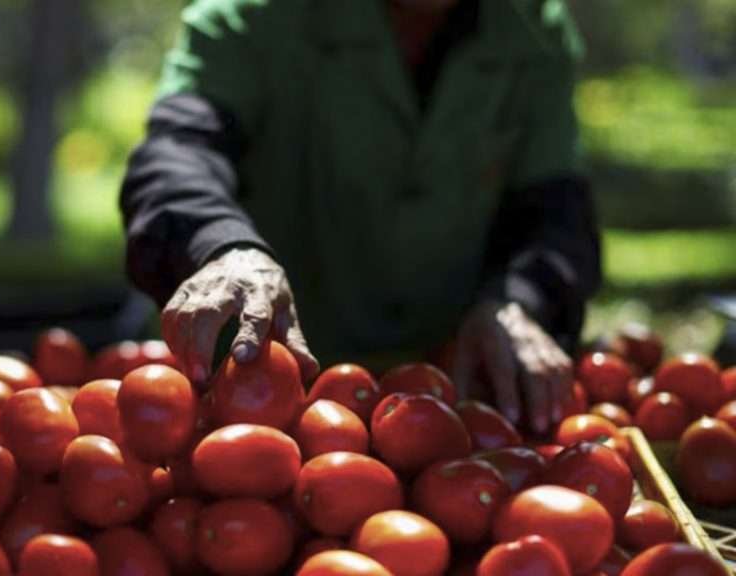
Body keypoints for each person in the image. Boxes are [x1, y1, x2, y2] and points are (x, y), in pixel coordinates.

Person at [119, 0, 601, 434]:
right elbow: (176, 157)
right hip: (236, 399)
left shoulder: (530, 28)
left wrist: (518, 299)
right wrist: (222, 246)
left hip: (451, 411)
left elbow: (555, 211)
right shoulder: (248, 18)